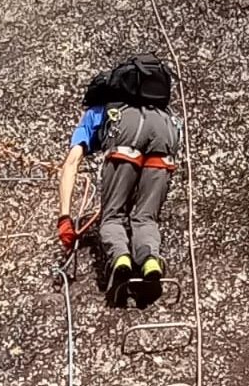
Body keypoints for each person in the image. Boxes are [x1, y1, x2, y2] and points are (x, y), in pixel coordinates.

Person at [58, 56, 179, 306]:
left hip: (126, 132)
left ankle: (121, 259)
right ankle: (149, 261)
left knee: (112, 216)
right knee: (145, 217)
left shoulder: (96, 113)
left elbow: (71, 163)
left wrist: (65, 218)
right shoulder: (155, 107)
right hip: (166, 130)